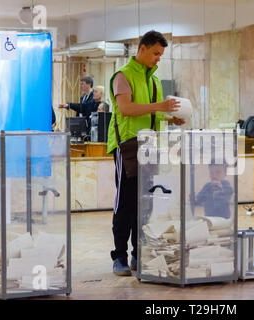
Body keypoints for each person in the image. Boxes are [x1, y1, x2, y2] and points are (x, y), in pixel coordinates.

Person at [107, 30, 185, 276]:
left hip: (150, 148)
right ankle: (118, 256)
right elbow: (127, 108)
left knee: (146, 204)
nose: (158, 59)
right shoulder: (123, 76)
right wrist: (159, 106)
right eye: (155, 54)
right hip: (128, 147)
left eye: (161, 55)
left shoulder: (154, 81)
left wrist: (171, 119)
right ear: (142, 49)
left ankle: (137, 254)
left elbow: (153, 114)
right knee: (126, 203)